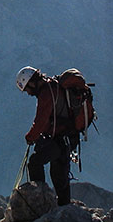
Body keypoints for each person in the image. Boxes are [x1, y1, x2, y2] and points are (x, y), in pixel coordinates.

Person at [16, 65, 79, 206]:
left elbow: (41, 121)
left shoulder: (46, 94)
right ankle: (65, 208)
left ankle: (40, 202)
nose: (28, 93)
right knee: (59, 176)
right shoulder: (53, 86)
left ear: (31, 82)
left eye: (27, 88)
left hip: (60, 139)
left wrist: (30, 137)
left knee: (35, 163)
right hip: (68, 138)